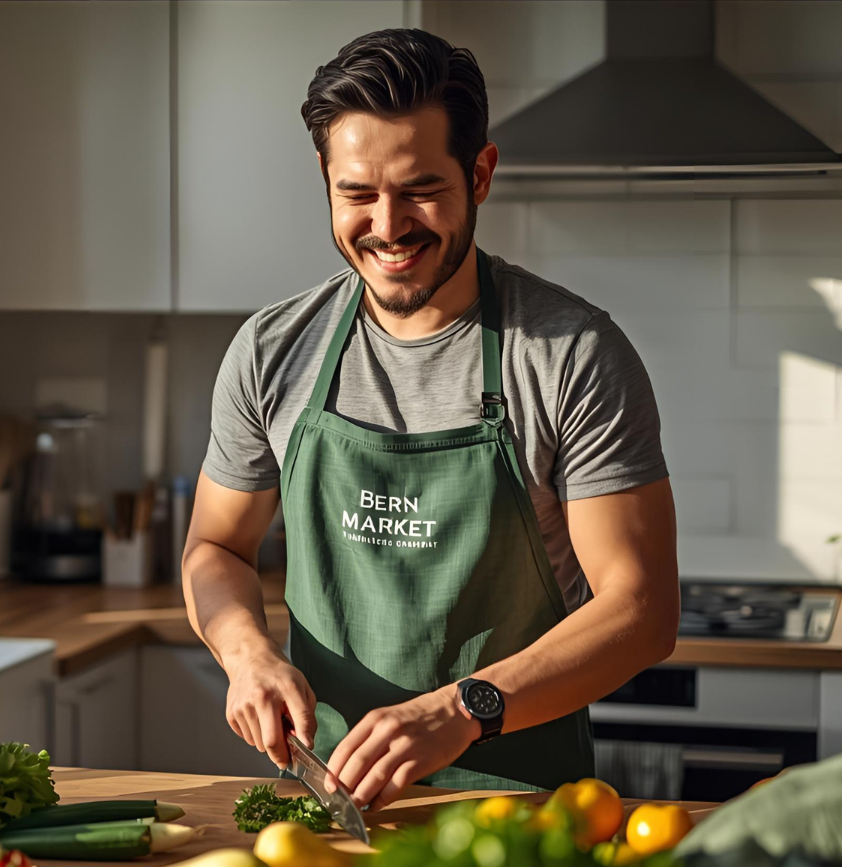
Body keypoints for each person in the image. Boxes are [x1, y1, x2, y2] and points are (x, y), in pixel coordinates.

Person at [182, 28, 678, 811]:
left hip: (525, 812)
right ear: (324, 176)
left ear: (480, 173)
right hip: (329, 807)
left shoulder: (570, 353)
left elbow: (641, 610)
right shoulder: (272, 351)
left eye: (418, 189)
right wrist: (245, 655)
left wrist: (462, 709)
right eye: (356, 192)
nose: (387, 225)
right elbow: (216, 546)